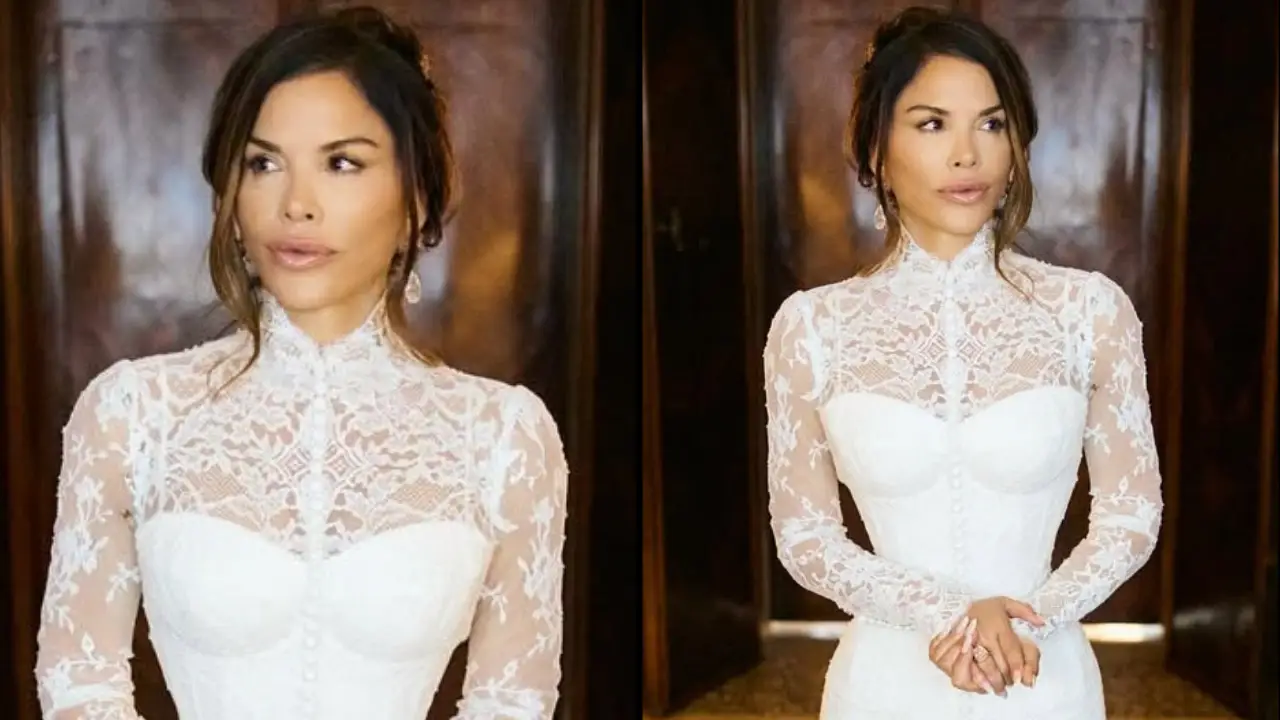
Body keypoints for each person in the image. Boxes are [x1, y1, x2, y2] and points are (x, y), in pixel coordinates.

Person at [34, 7, 567, 719]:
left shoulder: (504, 436)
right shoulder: (131, 415)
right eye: (263, 163)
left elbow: (511, 699)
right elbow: (80, 678)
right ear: (231, 194)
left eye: (342, 163)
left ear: (414, 196)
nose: (296, 205)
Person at [763, 6, 1162, 718]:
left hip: (1039, 676)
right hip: (884, 687)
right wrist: (946, 612)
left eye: (991, 123)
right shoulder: (812, 327)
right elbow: (805, 536)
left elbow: (1130, 514)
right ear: (877, 151)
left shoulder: (1089, 311)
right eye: (932, 124)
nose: (967, 155)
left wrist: (1029, 620)